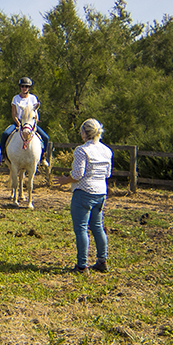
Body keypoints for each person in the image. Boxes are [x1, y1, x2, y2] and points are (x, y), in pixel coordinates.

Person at [69, 117, 112, 273]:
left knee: (81, 229)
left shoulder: (82, 150)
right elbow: (107, 174)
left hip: (84, 192)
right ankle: (102, 260)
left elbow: (77, 175)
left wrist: (65, 179)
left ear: (83, 133)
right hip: (101, 192)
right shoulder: (107, 150)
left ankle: (82, 265)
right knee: (98, 227)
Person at [2, 76, 50, 164]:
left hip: (30, 123)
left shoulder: (33, 98)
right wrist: (18, 123)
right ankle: (2, 155)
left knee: (46, 137)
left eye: (26, 86)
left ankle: (43, 157)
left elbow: (36, 113)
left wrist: (34, 124)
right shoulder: (15, 98)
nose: (24, 88)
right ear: (20, 87)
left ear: (29, 88)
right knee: (5, 134)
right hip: (19, 122)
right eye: (23, 86)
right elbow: (14, 114)